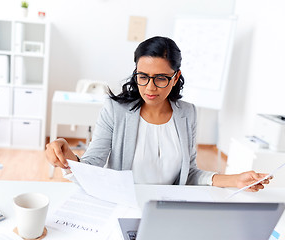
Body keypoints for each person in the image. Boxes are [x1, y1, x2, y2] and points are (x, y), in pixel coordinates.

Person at [46, 36, 270, 191]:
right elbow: (92, 164)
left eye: (161, 78)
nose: (150, 88)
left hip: (168, 206)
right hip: (123, 203)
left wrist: (235, 180)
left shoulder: (188, 113)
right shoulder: (116, 111)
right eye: (142, 76)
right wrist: (67, 157)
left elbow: (189, 174)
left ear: (175, 77)